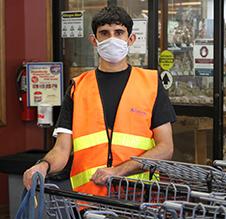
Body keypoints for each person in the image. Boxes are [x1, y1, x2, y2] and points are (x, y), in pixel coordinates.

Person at [23, 6, 176, 196]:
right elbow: (62, 149)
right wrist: (43, 166)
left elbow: (165, 148)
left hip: (139, 200)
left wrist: (118, 171)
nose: (112, 39)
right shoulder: (78, 88)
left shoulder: (151, 83)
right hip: (90, 201)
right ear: (94, 41)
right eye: (104, 33)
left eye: (119, 32)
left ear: (131, 39)